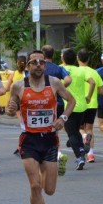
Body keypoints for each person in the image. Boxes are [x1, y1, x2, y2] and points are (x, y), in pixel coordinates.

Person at [6, 50, 76, 204]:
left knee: (49, 190)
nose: (38, 65)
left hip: (49, 139)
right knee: (35, 186)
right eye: (34, 62)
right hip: (28, 140)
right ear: (28, 66)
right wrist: (10, 110)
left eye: (41, 62)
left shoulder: (54, 83)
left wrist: (63, 118)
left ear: (45, 65)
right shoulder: (19, 86)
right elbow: (10, 109)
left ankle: (57, 165)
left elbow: (72, 101)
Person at [61, 48, 94, 170]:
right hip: (82, 106)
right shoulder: (80, 71)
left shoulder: (61, 70)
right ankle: (83, 142)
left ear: (63, 58)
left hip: (69, 106)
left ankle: (79, 156)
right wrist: (89, 96)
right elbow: (93, 82)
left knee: (71, 134)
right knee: (75, 131)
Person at [41, 45, 72, 175]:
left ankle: (55, 156)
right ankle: (56, 154)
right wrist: (59, 88)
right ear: (53, 55)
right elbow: (69, 79)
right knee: (54, 131)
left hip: (43, 103)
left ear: (43, 55)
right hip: (59, 103)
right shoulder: (59, 68)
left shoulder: (40, 68)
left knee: (43, 132)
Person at [77, 49, 103, 163]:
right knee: (90, 129)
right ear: (88, 59)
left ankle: (83, 138)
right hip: (92, 104)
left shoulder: (75, 72)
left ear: (78, 59)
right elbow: (101, 91)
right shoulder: (94, 72)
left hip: (79, 104)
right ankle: (91, 154)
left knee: (78, 128)